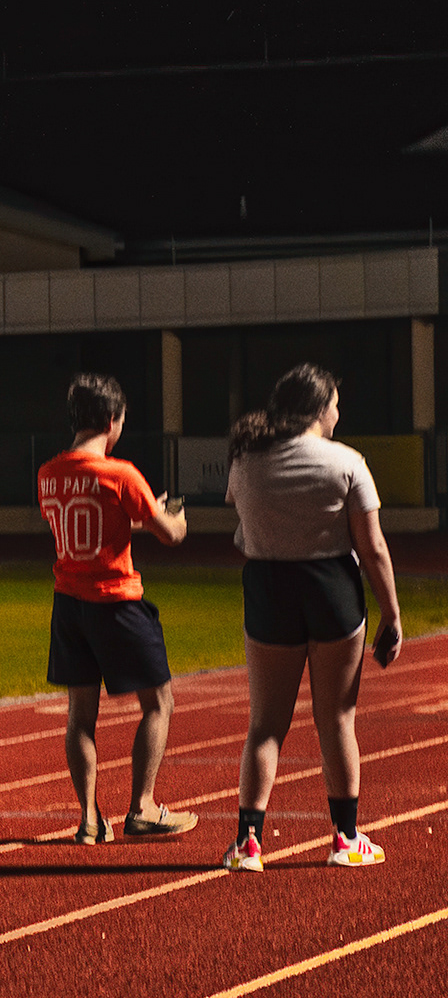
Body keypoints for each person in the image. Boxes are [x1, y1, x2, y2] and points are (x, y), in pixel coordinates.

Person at [223, 363, 402, 871]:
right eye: (336, 404)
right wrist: (391, 613)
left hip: (267, 588)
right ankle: (346, 840)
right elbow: (373, 549)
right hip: (331, 591)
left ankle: (248, 844)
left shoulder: (245, 459)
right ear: (321, 408)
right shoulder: (346, 463)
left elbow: (244, 516)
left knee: (265, 725)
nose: (339, 413)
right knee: (337, 720)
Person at [36, 373, 196, 844]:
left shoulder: (48, 473)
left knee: (80, 716)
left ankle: (88, 818)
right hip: (117, 601)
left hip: (68, 603)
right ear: (112, 419)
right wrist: (173, 519)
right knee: (158, 703)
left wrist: (135, 515)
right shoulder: (121, 473)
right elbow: (169, 535)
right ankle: (142, 807)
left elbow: (87, 521)